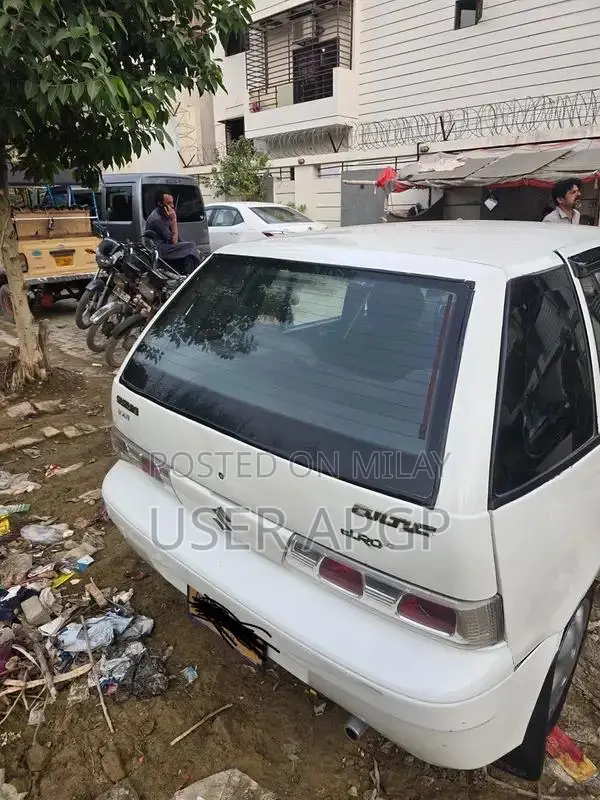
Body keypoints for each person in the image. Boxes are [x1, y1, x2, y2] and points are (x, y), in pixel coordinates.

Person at [145, 190, 201, 274]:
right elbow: (173, 241)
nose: (173, 206)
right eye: (169, 203)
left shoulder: (165, 214)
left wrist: (191, 248)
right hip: (159, 249)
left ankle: (189, 275)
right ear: (160, 204)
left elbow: (178, 238)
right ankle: (196, 274)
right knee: (191, 246)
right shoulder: (157, 219)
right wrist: (174, 220)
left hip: (168, 246)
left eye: (172, 202)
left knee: (191, 252)